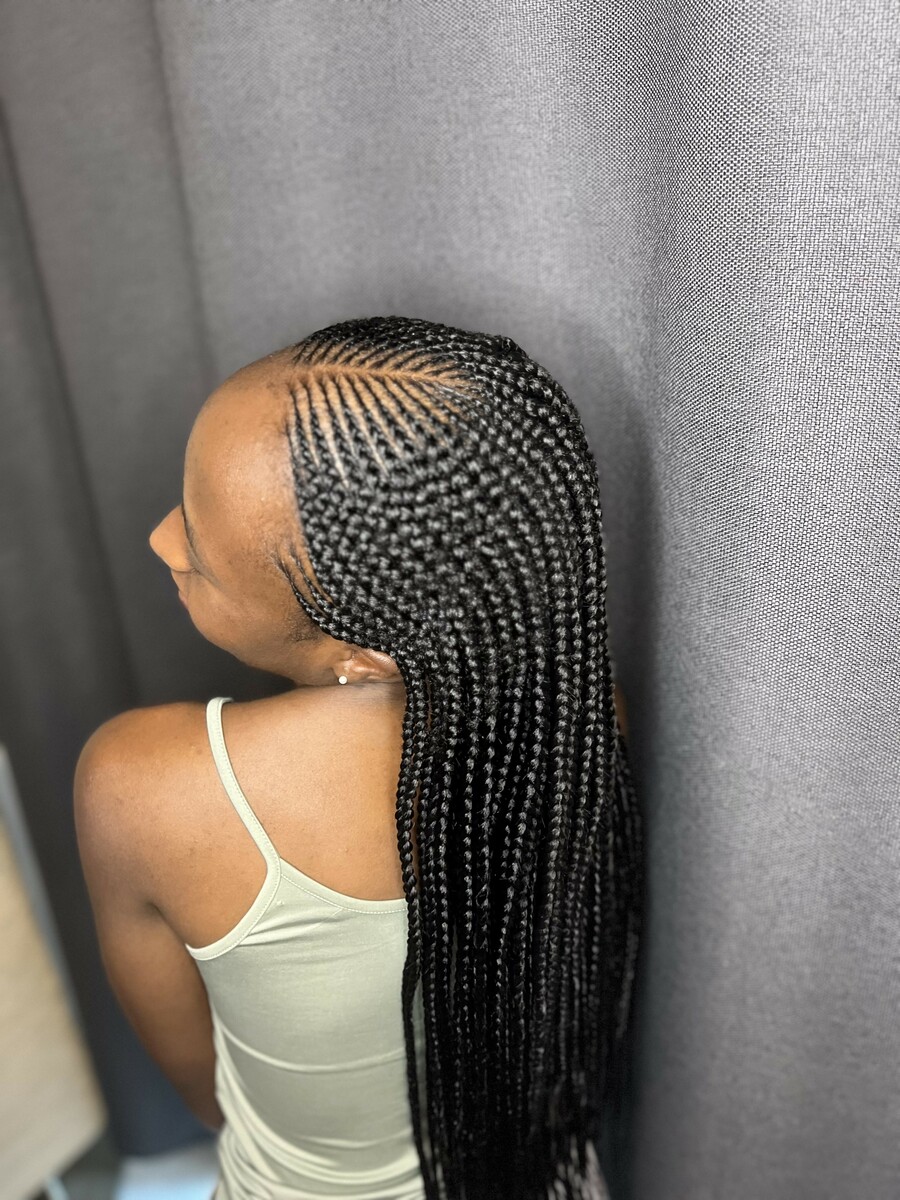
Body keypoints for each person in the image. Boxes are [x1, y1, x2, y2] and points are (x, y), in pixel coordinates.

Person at [74, 316, 642, 1200]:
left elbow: (200, 1089)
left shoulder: (141, 786)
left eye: (202, 549)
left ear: (364, 655)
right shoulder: (577, 720)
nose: (162, 538)